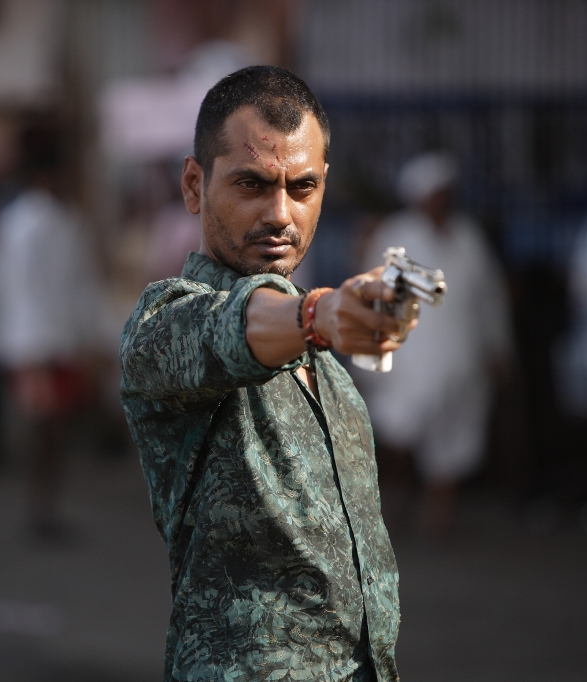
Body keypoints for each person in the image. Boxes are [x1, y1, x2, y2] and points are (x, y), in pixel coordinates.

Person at [120, 66, 409, 682]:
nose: (281, 213)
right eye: (252, 184)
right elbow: (231, 329)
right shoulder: (164, 323)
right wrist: (319, 312)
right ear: (195, 186)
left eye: (301, 187)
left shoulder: (322, 361)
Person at [358, 152, 514, 535]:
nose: (441, 201)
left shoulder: (468, 237)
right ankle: (397, 498)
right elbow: (371, 297)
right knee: (400, 430)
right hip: (410, 359)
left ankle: (440, 516)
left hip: (462, 359)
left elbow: (490, 298)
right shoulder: (396, 237)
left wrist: (499, 348)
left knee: (454, 437)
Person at [0, 127, 101, 540]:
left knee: (48, 432)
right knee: (48, 431)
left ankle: (43, 507)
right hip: (46, 343)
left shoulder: (26, 221)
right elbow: (51, 289)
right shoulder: (47, 222)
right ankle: (41, 509)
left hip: (38, 341)